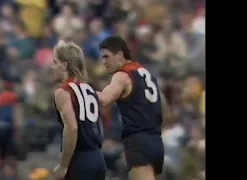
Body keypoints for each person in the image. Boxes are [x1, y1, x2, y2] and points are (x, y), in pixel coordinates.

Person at [97, 36, 169, 180]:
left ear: (119, 55)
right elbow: (165, 108)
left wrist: (81, 90)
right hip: (156, 140)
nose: (103, 62)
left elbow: (105, 99)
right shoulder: (147, 74)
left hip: (138, 140)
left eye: (106, 57)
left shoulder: (122, 75)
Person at [51, 41, 106, 180]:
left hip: (80, 160)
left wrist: (63, 165)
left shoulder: (63, 92)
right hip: (98, 158)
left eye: (55, 62)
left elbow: (72, 129)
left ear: (64, 65)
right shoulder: (89, 89)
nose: (52, 67)